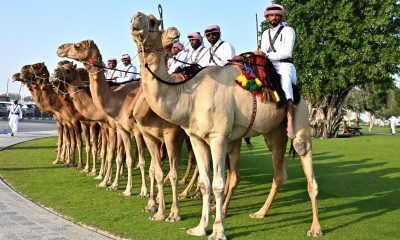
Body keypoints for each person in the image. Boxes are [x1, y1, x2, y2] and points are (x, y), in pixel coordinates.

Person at [260, 4, 297, 138]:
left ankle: (290, 122)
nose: (273, 18)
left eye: (276, 15)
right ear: (267, 18)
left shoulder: (288, 30)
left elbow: (287, 52)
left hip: (284, 65)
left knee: (286, 87)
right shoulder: (265, 34)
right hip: (268, 66)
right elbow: (263, 51)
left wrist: (266, 56)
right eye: (270, 15)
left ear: (281, 17)